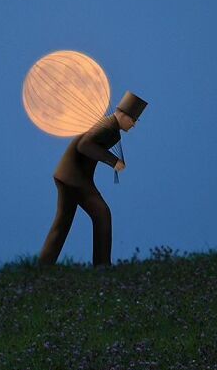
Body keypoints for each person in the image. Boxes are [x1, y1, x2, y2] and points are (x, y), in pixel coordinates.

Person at [38, 91, 148, 269]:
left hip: (68, 176)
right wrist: (113, 161)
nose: (134, 124)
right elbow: (84, 145)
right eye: (133, 119)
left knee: (63, 223)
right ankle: (102, 265)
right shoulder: (107, 127)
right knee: (102, 214)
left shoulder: (110, 127)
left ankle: (43, 266)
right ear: (124, 115)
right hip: (75, 179)